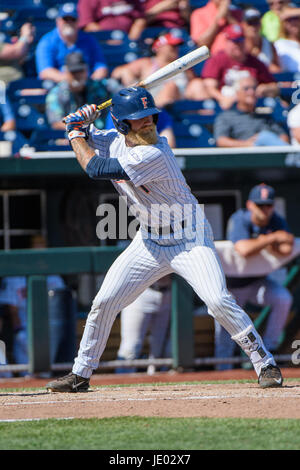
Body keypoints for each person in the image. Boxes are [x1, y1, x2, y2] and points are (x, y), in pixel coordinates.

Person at [45, 86, 284, 392]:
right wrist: (83, 123)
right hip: (149, 241)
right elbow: (91, 142)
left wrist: (75, 132)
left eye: (150, 117)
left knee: (217, 300)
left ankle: (264, 362)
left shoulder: (156, 152)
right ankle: (80, 374)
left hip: (190, 237)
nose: (147, 124)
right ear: (121, 124)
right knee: (104, 302)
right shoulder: (114, 140)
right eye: (138, 119)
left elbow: (95, 167)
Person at [214, 183, 294, 370]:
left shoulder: (275, 219)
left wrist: (263, 242)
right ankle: (221, 368)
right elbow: (243, 249)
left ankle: (269, 350)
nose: (265, 210)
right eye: (260, 205)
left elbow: (287, 246)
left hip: (257, 282)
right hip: (231, 285)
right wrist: (271, 239)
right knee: (224, 327)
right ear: (250, 205)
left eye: (268, 205)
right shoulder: (240, 219)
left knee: (283, 298)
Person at [0, 235, 65, 375]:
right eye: (36, 245)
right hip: (25, 330)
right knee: (28, 375)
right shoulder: (15, 277)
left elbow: (61, 307)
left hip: (49, 331)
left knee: (46, 375)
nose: (40, 248)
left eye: (43, 245)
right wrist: (18, 331)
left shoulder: (54, 276)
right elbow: (12, 310)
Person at [111, 31, 206, 107]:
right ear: (159, 47)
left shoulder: (185, 67)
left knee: (198, 84)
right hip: (152, 101)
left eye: (176, 46)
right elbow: (118, 72)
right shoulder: (146, 63)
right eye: (172, 46)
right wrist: (132, 84)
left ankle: (206, 123)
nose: (175, 49)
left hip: (180, 102)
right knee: (170, 87)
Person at [199, 24, 279, 109]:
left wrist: (266, 88)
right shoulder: (217, 60)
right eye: (234, 41)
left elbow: (274, 86)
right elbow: (209, 86)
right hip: (225, 108)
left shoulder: (254, 62)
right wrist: (222, 98)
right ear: (227, 42)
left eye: (240, 41)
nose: (238, 45)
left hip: (251, 107)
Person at [35, 2, 108, 84]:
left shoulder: (89, 40)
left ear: (78, 21)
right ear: (58, 21)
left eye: (73, 19)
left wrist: (90, 84)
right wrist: (73, 80)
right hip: (59, 86)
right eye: (65, 19)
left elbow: (100, 66)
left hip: (88, 85)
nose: (69, 23)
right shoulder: (47, 41)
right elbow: (45, 72)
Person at [214, 75, 289, 147]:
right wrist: (248, 145)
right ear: (237, 93)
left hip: (270, 154)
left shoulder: (265, 116)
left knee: (265, 137)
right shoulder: (226, 117)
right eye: (246, 89)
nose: (251, 92)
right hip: (244, 156)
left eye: (254, 88)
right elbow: (221, 141)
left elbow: (283, 136)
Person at [117, 276, 171, 374]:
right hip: (141, 292)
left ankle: (155, 386)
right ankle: (122, 385)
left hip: (168, 293)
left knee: (158, 351)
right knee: (130, 348)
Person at [45, 51, 110, 130]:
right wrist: (78, 128)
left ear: (86, 71)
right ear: (66, 72)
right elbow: (56, 123)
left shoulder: (100, 87)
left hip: (100, 135)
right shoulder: (56, 94)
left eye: (80, 71)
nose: (77, 75)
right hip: (71, 137)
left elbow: (118, 95)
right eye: (73, 72)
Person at [77, 0, 146, 40]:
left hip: (128, 39)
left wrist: (131, 39)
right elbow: (88, 24)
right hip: (103, 41)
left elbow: (140, 19)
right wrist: (108, 37)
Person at [243, 8, 281, 74]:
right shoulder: (239, 45)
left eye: (256, 23)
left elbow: (276, 68)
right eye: (250, 23)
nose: (253, 27)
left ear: (260, 24)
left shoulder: (269, 44)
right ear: (244, 25)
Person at [274, 8, 300, 73]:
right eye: (289, 20)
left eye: (296, 18)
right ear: (284, 24)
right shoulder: (279, 44)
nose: (293, 22)